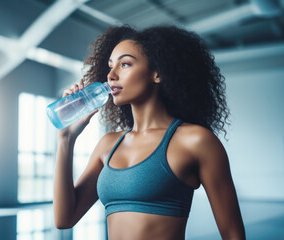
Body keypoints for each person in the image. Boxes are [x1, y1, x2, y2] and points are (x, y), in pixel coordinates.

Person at [53, 25, 245, 240]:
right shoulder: (108, 144)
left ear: (158, 73)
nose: (111, 75)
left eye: (124, 64)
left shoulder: (196, 141)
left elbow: (233, 234)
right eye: (110, 66)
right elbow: (64, 219)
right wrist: (66, 139)